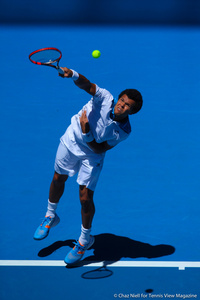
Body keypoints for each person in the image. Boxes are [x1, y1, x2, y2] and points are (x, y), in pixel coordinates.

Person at [34, 67, 143, 265]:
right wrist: (73, 74)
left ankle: (85, 240)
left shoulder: (124, 131)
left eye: (128, 106)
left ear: (132, 111)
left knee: (85, 198)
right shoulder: (104, 97)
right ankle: (50, 215)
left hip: (92, 155)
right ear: (118, 98)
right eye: (122, 101)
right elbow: (88, 85)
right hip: (71, 140)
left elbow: (99, 148)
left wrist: (87, 132)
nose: (122, 106)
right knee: (58, 178)